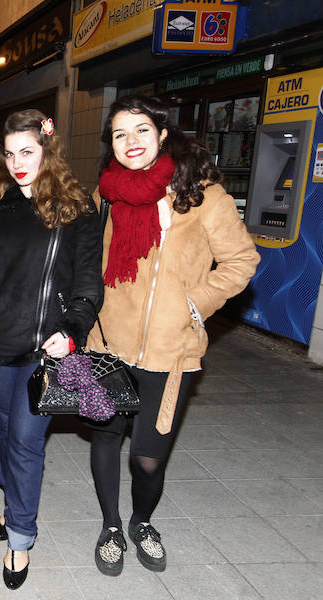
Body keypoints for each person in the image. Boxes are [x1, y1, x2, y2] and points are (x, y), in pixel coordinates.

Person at [86, 95, 259, 576]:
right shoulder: (107, 194)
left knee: (147, 458)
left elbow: (242, 261)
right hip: (104, 343)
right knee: (104, 440)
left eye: (140, 130)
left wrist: (193, 304)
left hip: (170, 350)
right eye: (119, 134)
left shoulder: (203, 194)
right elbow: (87, 261)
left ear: (162, 134)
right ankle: (112, 526)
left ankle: (142, 521)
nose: (130, 142)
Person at [0, 110, 103, 589]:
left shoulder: (77, 209)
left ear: (48, 151)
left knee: (28, 441)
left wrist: (73, 329)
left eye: (27, 152)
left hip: (48, 350)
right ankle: (13, 505)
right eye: (9, 153)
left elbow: (88, 284)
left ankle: (20, 537)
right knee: (6, 431)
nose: (16, 163)